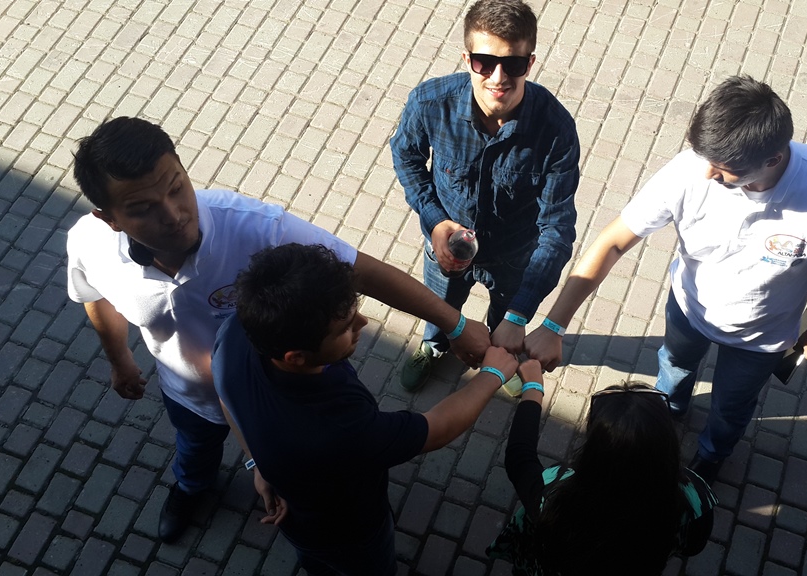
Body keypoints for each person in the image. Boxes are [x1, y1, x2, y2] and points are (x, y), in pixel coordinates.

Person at [66, 117, 491, 543]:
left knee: (313, 474)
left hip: (289, 397)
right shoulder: (90, 245)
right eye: (143, 209)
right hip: (190, 396)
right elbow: (95, 295)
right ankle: (192, 487)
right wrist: (120, 359)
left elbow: (362, 271)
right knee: (194, 448)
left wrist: (453, 324)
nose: (174, 214)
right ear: (109, 219)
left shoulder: (254, 226)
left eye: (177, 187)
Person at [524, 75, 807, 484]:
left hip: (761, 337)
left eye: (724, 169)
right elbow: (613, 242)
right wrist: (554, 324)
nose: (707, 174)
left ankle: (711, 455)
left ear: (773, 160)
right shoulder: (690, 170)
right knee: (673, 366)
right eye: (704, 157)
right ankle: (669, 413)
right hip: (688, 308)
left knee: (731, 407)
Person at [213, 243, 519, 575]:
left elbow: (224, 395)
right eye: (345, 328)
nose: (363, 322)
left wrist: (257, 460)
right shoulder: (340, 428)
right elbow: (436, 429)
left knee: (317, 562)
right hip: (349, 532)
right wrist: (492, 375)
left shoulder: (236, 333)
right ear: (296, 357)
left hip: (300, 521)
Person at [390, 0, 579, 392]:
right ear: (467, 59)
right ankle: (434, 345)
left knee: (504, 321)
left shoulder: (555, 129)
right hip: (446, 249)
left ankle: (500, 354)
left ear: (530, 63)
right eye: (484, 62)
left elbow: (557, 229)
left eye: (513, 64)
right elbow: (405, 156)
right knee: (441, 309)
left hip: (514, 257)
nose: (498, 78)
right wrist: (435, 222)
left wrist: (518, 316)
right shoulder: (430, 103)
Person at [488, 375, 717, 575]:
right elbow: (694, 546)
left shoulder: (553, 495)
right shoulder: (694, 496)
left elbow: (519, 457)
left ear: (593, 451)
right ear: (668, 447)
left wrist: (533, 386)